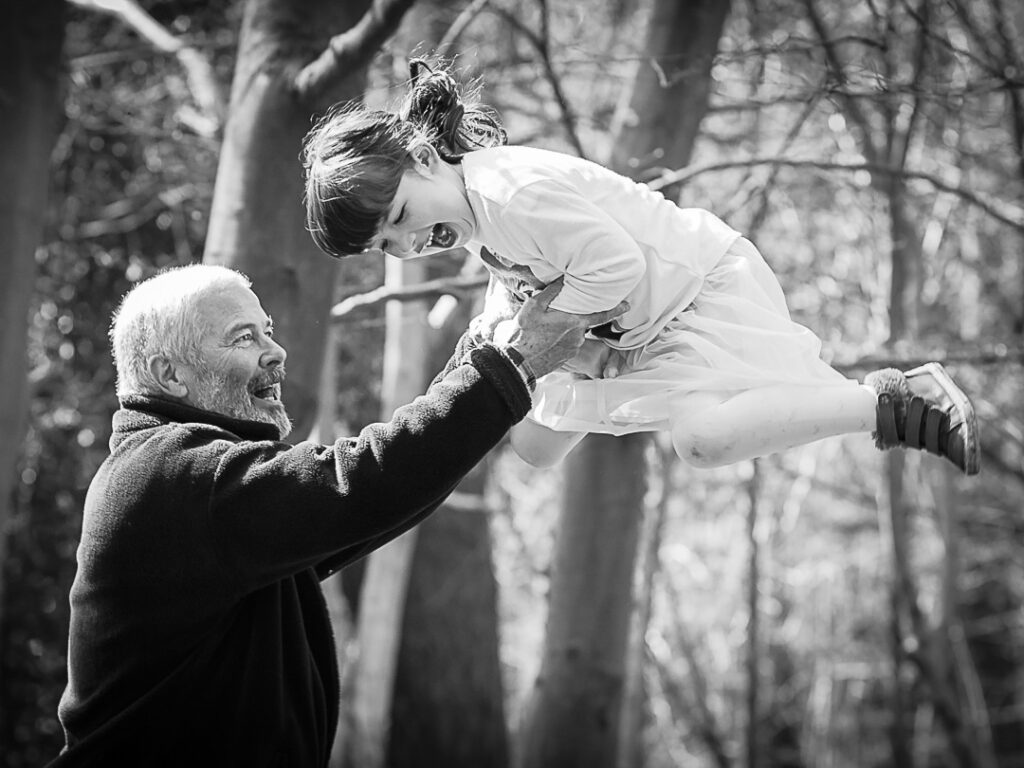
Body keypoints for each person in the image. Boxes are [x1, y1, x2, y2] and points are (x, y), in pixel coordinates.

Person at [50, 263, 625, 767]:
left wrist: (483, 358)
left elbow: (381, 500)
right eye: (243, 338)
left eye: (268, 331)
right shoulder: (172, 476)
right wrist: (509, 364)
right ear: (171, 375)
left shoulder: (202, 488)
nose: (274, 351)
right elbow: (364, 482)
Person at [301, 58, 980, 475]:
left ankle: (890, 400)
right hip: (635, 325)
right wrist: (497, 331)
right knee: (534, 447)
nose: (405, 245)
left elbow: (616, 269)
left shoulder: (512, 194)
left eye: (397, 218)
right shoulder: (474, 213)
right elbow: (519, 278)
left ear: (422, 159)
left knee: (703, 440)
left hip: (698, 294)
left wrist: (543, 343)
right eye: (385, 248)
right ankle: (587, 384)